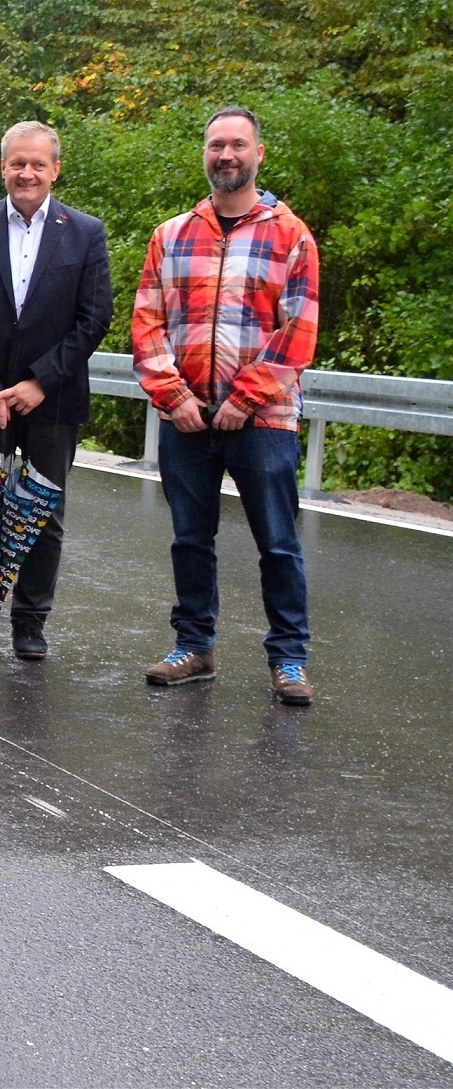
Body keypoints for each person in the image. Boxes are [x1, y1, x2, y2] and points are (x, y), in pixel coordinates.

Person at [132, 107, 320, 704]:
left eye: (238, 144)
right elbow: (147, 324)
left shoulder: (291, 235)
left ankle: (289, 658)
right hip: (185, 417)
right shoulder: (171, 235)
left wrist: (245, 397)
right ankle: (194, 647)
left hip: (263, 419)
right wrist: (173, 396)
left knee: (277, 542)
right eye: (216, 145)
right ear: (204, 154)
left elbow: (299, 331)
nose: (227, 155)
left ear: (259, 154)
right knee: (190, 539)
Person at [0, 121, 112, 659]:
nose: (27, 173)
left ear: (55, 170)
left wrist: (39, 382)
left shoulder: (85, 232)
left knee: (43, 513)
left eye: (38, 164)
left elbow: (94, 317)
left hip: (52, 398)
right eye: (18, 163)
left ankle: (30, 622)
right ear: (3, 168)